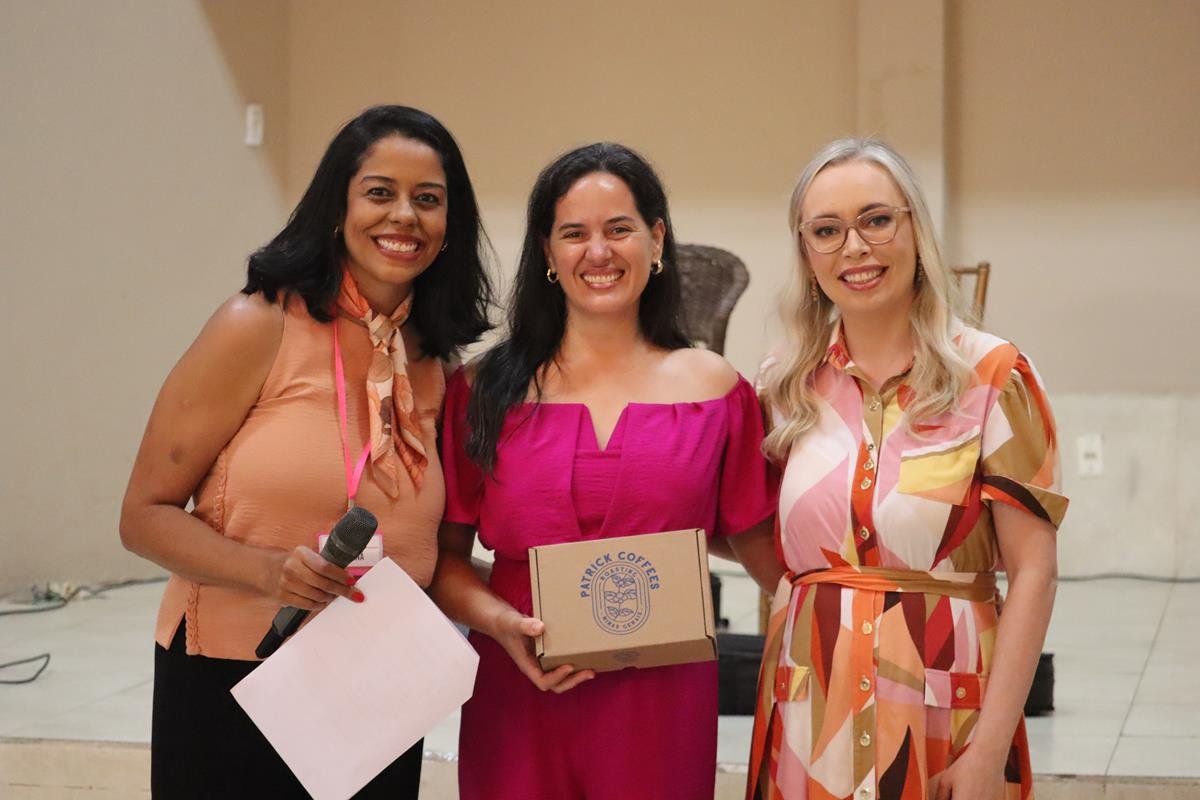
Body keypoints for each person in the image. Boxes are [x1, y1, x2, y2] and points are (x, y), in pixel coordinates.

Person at [119, 105, 492, 798]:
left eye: (428, 199)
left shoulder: (433, 362)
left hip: (377, 679)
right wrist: (268, 573)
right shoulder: (255, 324)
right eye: (379, 192)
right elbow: (142, 517)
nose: (404, 215)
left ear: (450, 225)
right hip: (239, 670)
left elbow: (435, 547)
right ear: (336, 208)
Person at [428, 142, 780, 800]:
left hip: (662, 702)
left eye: (619, 229)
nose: (598, 252)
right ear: (547, 252)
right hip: (518, 685)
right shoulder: (482, 389)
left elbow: (768, 551)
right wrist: (500, 624)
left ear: (657, 239)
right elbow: (441, 559)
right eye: (574, 233)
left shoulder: (715, 390)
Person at [739, 138, 1068, 800]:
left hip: (946, 714)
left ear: (916, 228)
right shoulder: (784, 382)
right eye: (826, 230)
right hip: (812, 718)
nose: (854, 247)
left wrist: (989, 751)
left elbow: (1034, 573)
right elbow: (755, 530)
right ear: (805, 252)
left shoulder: (993, 376)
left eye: (877, 220)